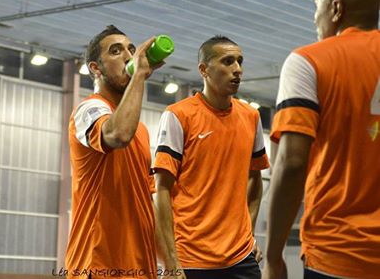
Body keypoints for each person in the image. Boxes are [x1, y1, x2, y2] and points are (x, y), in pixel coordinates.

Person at [263, 0, 380, 279]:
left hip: (338, 252)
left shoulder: (308, 61)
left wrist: (274, 256)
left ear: (336, 8)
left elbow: (292, 162)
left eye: (316, 7)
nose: (315, 18)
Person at [153, 35, 270, 279]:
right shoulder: (178, 115)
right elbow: (161, 190)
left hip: (240, 257)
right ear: (204, 70)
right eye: (228, 62)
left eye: (240, 61)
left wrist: (248, 234)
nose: (237, 69)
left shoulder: (251, 116)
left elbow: (255, 180)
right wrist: (171, 261)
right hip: (191, 259)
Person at [65, 25, 163, 279]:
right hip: (97, 265)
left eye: (132, 50)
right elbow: (116, 135)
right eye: (116, 51)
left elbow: (149, 204)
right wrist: (139, 76)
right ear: (95, 68)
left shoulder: (139, 129)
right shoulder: (88, 109)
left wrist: (171, 263)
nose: (129, 57)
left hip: (141, 269)